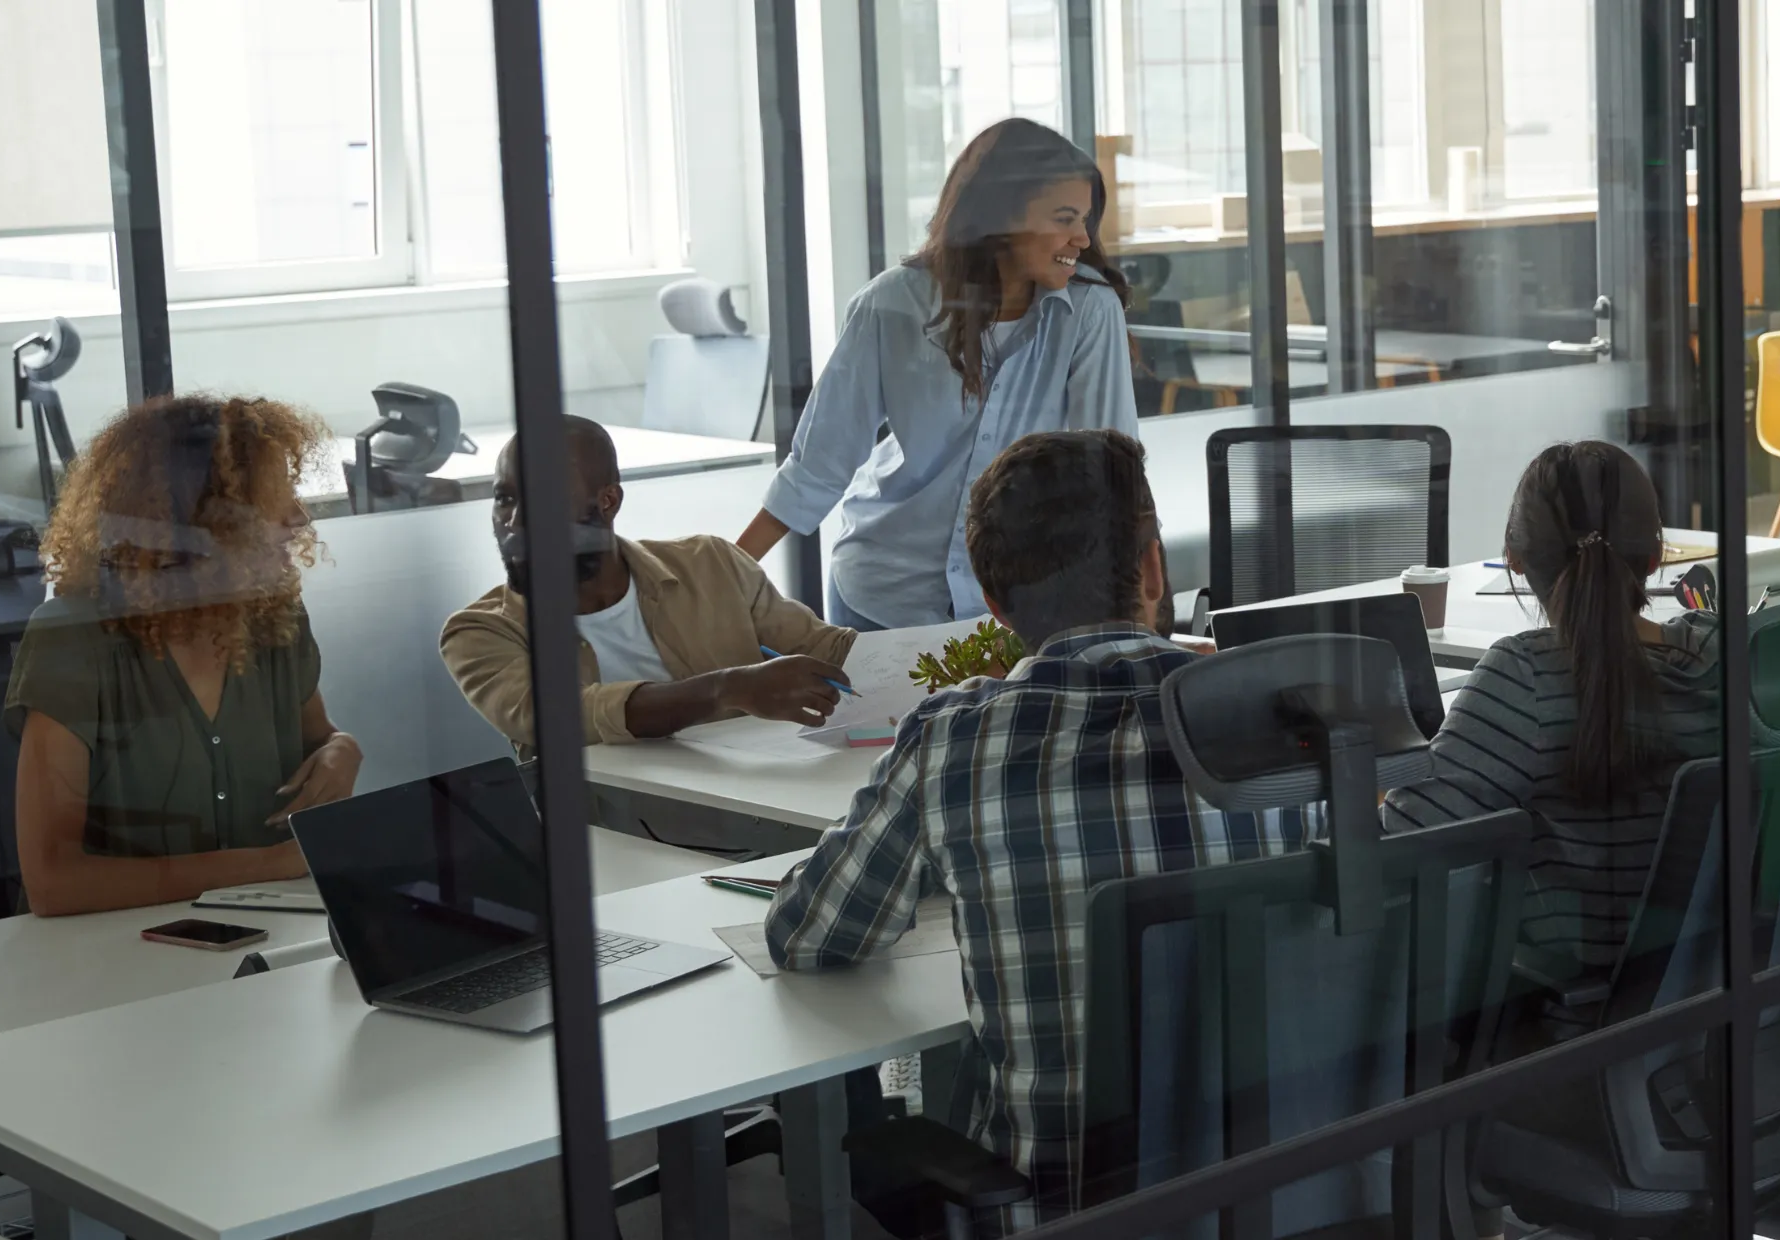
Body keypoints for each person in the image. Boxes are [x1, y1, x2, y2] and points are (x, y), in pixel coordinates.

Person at [765, 428, 1305, 1234]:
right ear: (1154, 569)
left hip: (1061, 1216)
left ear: (992, 601)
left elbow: (808, 935)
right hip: (1288, 1195)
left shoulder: (956, 739)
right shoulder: (1276, 712)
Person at [737, 118, 1137, 631]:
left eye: (1085, 219)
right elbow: (818, 466)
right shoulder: (890, 305)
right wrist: (723, 581)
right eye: (1064, 218)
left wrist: (1143, 611)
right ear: (1001, 215)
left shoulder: (1089, 311)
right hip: (884, 596)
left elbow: (1109, 469)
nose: (1082, 237)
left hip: (1020, 608)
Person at [7, 395, 363, 917]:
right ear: (198, 517)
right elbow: (54, 883)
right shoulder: (75, 638)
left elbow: (319, 737)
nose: (299, 515)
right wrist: (272, 864)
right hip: (101, 958)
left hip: (258, 931)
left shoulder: (274, 620)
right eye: (272, 495)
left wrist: (343, 747)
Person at [1382, 441, 1719, 979]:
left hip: (1570, 1017)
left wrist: (1377, 777)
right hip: (1715, 994)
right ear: (1657, 558)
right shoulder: (1726, 659)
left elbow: (1408, 840)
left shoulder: (1525, 676)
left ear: (1513, 558)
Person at [442, 415, 859, 752]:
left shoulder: (710, 564)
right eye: (504, 498)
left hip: (776, 799)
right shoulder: (478, 633)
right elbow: (562, 716)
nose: (514, 522)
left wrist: (914, 659)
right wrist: (728, 688)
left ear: (608, 502)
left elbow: (829, 651)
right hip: (623, 835)